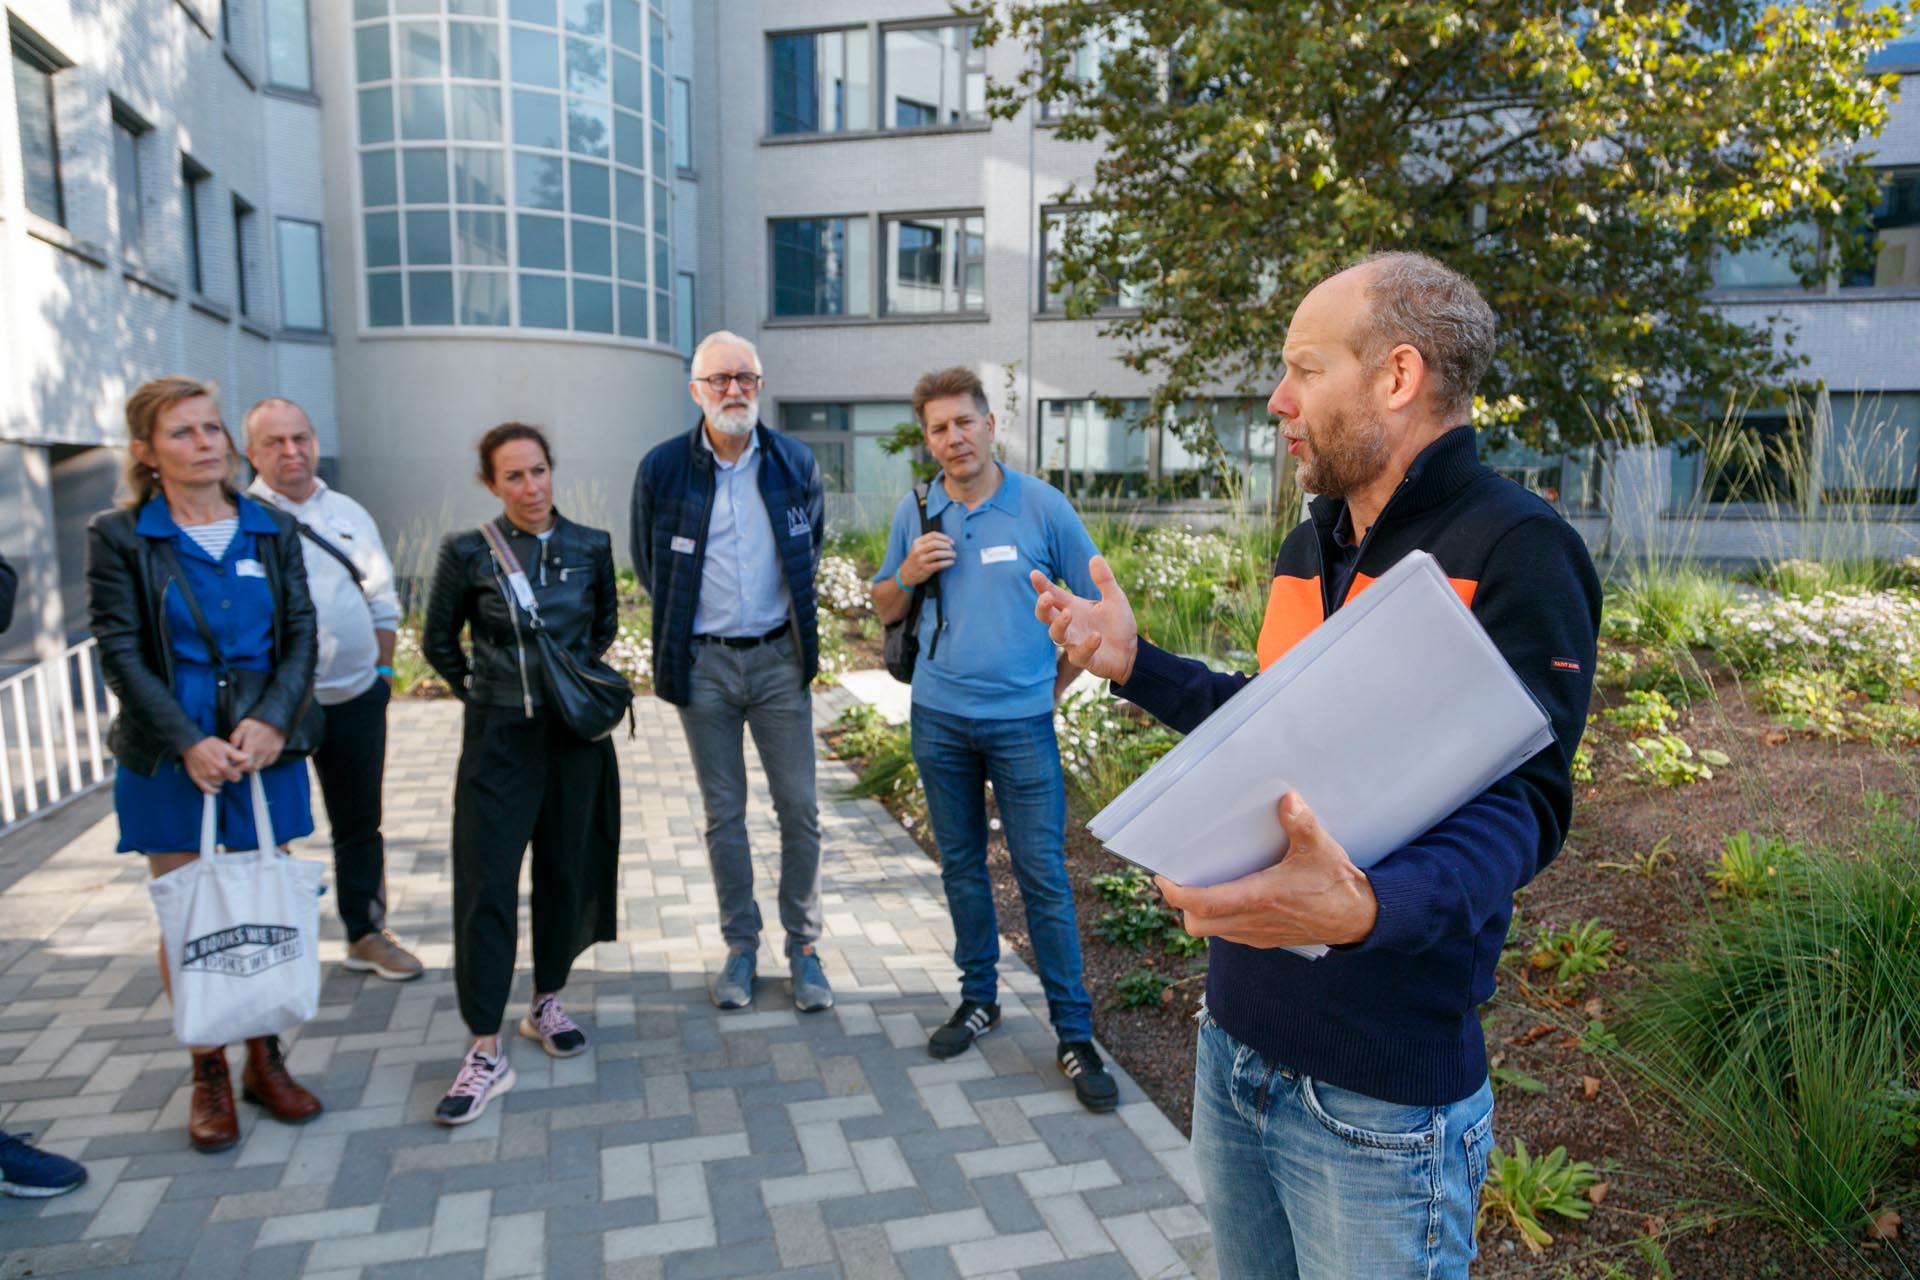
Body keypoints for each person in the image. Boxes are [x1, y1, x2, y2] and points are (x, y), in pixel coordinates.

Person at [1034, 253, 1601, 1279]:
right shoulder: (1313, 539)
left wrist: (1367, 905)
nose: (1277, 399)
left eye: (1304, 368)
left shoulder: (1522, 546)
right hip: (1235, 1045)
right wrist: (1134, 662)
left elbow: (1526, 805)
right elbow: (1270, 730)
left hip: (1380, 1101)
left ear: (1397, 375)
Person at [85, 375, 327, 1153]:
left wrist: (269, 722)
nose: (205, 443)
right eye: (184, 432)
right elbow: (120, 650)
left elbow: (300, 635)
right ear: (147, 453)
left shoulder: (268, 527)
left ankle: (264, 1057)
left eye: (212, 428)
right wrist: (187, 740)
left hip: (265, 742)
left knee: (260, 898)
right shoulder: (121, 536)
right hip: (169, 747)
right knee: (189, 905)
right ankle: (208, 1069)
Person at [870, 366, 1119, 1113]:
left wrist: (1048, 693)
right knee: (962, 868)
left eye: (964, 422)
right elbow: (883, 604)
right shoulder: (919, 510)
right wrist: (909, 571)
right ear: (928, 439)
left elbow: (1098, 613)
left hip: (1021, 727)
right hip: (939, 720)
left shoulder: (1042, 508)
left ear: (990, 425)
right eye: (938, 428)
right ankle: (979, 998)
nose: (954, 438)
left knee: (1041, 875)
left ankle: (1075, 1034)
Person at [422, 423, 621, 1125]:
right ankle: (484, 1045)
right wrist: (489, 693)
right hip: (498, 741)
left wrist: (560, 690)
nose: (531, 489)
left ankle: (546, 1003)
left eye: (539, 472)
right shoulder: (466, 551)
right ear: (490, 484)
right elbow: (437, 641)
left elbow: (602, 630)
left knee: (566, 872)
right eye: (514, 477)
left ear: (552, 470)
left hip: (574, 741)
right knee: (486, 886)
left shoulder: (591, 545)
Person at [631, 331, 832, 1014]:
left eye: (745, 377)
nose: (734, 390)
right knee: (725, 815)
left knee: (800, 810)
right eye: (719, 379)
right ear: (696, 391)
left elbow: (809, 549)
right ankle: (740, 946)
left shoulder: (794, 462)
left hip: (780, 660)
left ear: (760, 385)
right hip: (705, 663)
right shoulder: (662, 469)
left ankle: (804, 948)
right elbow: (648, 564)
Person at [244, 398, 421, 982]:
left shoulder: (348, 511)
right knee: (273, 827)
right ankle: (278, 941)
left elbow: (381, 602)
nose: (291, 451)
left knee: (359, 823)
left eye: (301, 438)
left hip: (356, 698)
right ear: (251, 452)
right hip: (278, 709)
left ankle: (365, 934)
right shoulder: (240, 518)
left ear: (316, 441)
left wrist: (383, 679)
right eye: (275, 442)